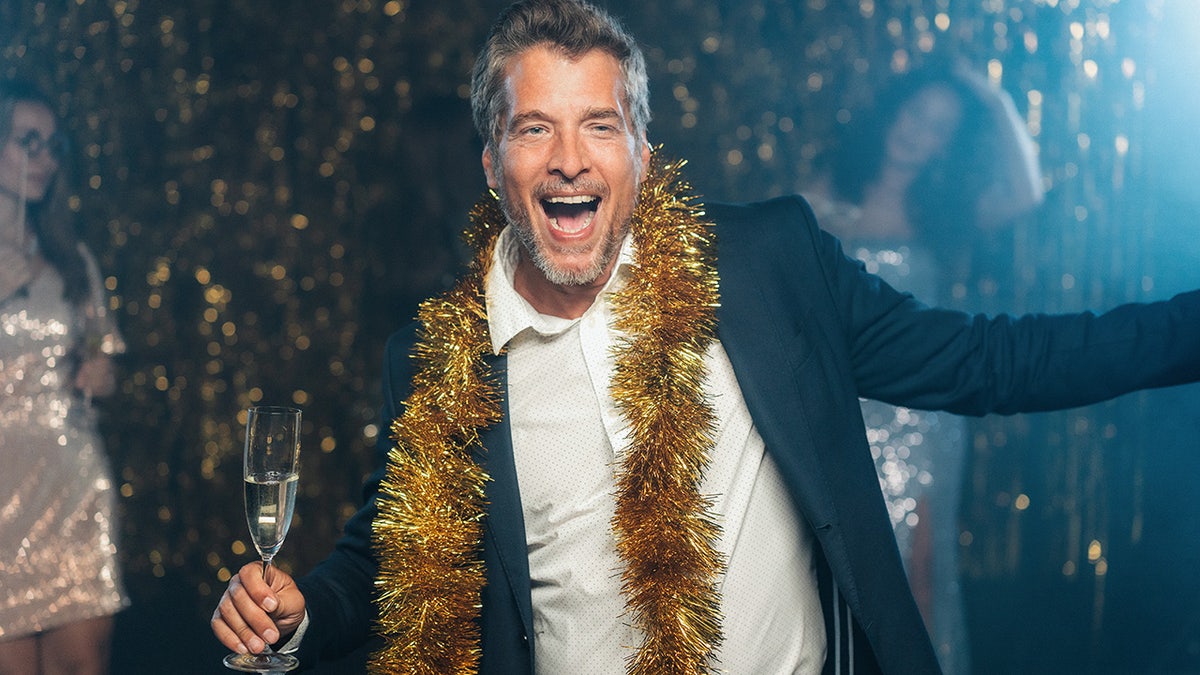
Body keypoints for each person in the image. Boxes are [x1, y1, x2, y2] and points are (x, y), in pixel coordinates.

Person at [211, 1, 1200, 672]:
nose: (568, 159)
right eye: (533, 129)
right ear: (490, 163)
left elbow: (989, 361)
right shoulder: (436, 363)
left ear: (641, 155)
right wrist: (296, 614)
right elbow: (382, 561)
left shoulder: (768, 266)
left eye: (599, 126)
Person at [801, 63, 1045, 673]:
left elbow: (1028, 193)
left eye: (939, 127)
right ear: (893, 112)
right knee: (841, 575)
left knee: (923, 575)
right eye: (916, 114)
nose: (919, 132)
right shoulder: (819, 196)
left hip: (923, 418)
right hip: (845, 413)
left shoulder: (944, 212)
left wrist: (990, 95)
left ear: (947, 145)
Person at [0, 79, 127, 674]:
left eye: (54, 145)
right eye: (28, 141)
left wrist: (101, 373)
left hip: (72, 477)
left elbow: (104, 355)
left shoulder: (71, 256)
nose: (44, 158)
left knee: (82, 664)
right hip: (2, 485)